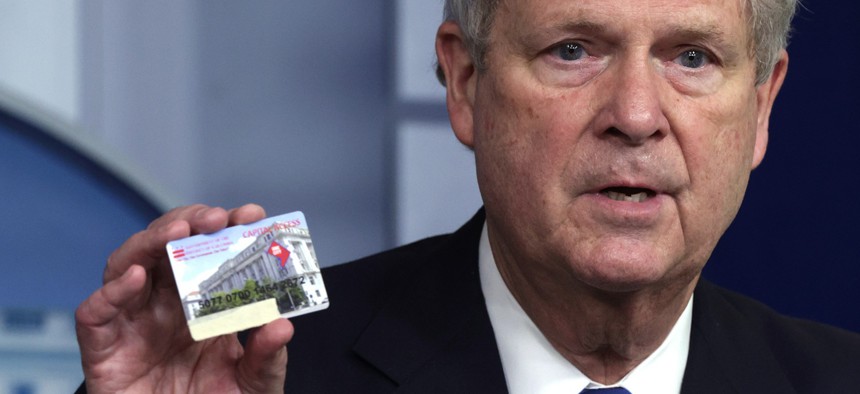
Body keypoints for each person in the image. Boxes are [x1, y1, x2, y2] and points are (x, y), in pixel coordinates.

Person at [75, 0, 860, 393]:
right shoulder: (263, 360)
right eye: (573, 50)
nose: (635, 116)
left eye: (691, 57)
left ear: (760, 106)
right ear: (464, 81)